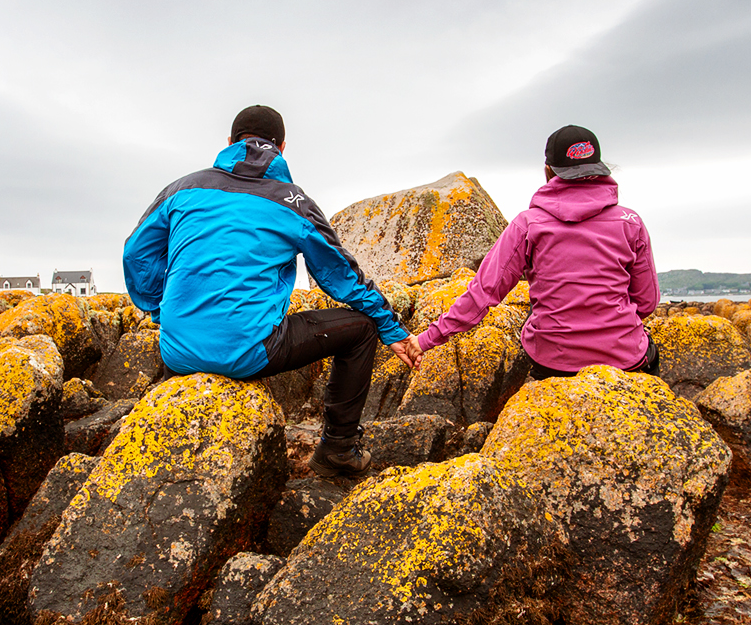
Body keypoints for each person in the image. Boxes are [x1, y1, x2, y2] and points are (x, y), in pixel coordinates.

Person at [123, 105, 421, 476]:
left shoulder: (181, 189)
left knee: (192, 333)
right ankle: (337, 450)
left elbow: (136, 253)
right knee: (361, 329)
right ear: (282, 147)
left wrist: (159, 311)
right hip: (250, 353)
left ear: (229, 143)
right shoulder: (292, 202)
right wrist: (390, 327)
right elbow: (340, 275)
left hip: (176, 350)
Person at [415, 125, 659, 379]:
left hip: (554, 363)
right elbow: (647, 302)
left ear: (548, 171)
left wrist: (424, 341)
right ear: (599, 169)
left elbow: (483, 294)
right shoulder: (631, 222)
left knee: (534, 317)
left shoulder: (528, 225)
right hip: (624, 360)